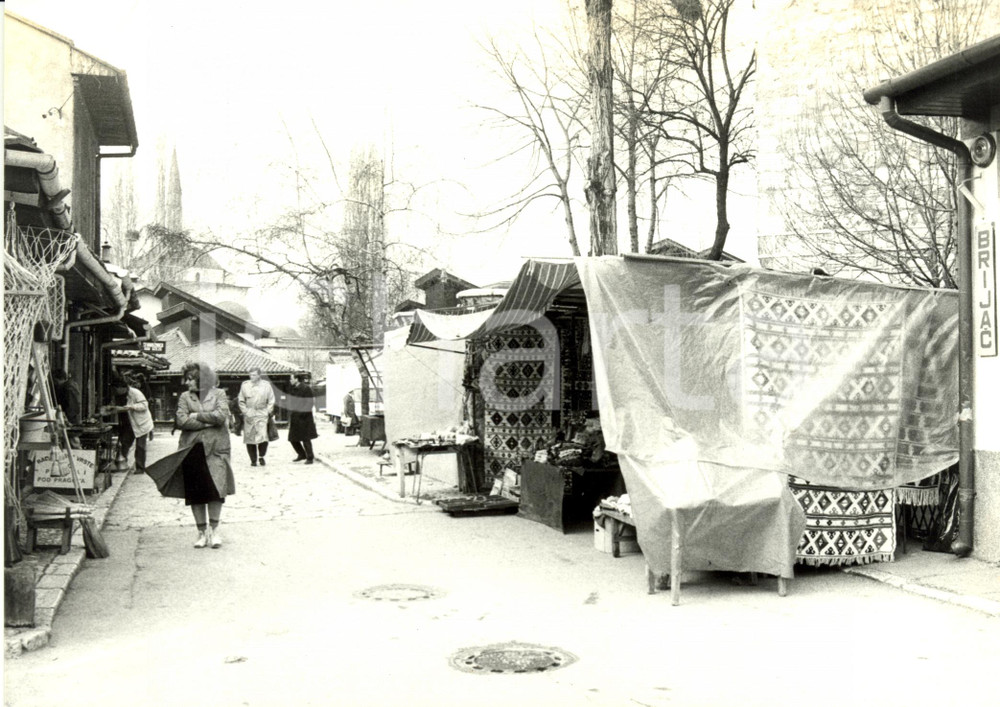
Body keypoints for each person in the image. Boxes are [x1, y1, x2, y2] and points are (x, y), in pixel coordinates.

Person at [146, 362, 234, 549]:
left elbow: (221, 416)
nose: (186, 383)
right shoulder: (185, 397)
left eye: (190, 379)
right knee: (196, 493)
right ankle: (201, 533)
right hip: (192, 450)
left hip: (216, 450)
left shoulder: (219, 394)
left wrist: (197, 416)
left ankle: (215, 531)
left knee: (216, 492)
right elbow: (181, 420)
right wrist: (207, 421)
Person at [103, 373, 154, 474]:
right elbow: (114, 406)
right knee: (124, 443)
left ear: (122, 387)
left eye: (116, 389)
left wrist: (130, 407)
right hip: (127, 423)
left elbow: (144, 405)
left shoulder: (135, 393)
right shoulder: (118, 395)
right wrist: (109, 409)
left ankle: (140, 468)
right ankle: (121, 463)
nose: (115, 391)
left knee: (140, 446)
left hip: (141, 423)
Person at [238, 366, 274, 466]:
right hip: (249, 412)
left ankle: (261, 456)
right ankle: (253, 460)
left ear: (259, 375)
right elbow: (241, 400)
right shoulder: (245, 385)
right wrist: (245, 411)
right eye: (250, 375)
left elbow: (271, 399)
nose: (251, 377)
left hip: (262, 412)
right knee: (249, 437)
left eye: (253, 375)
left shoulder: (266, 385)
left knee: (263, 437)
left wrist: (268, 411)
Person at [287, 373, 318, 464]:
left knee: (306, 439)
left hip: (304, 418)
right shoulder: (293, 388)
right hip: (295, 417)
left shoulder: (306, 388)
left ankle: (310, 457)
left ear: (296, 379)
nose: (290, 380)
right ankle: (301, 454)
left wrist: (302, 414)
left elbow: (310, 402)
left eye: (291, 379)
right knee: (293, 438)